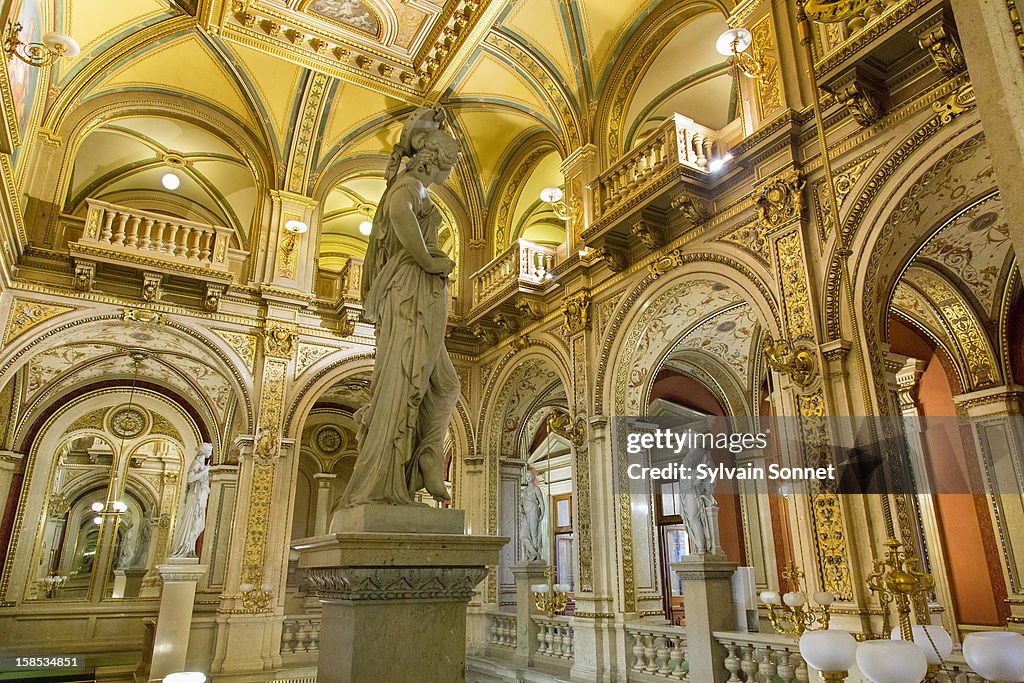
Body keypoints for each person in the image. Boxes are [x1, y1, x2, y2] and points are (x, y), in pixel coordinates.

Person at [338, 107, 461, 507]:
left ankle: (426, 453)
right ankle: (383, 479)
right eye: (450, 163)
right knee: (404, 380)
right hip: (410, 292)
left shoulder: (417, 188)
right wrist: (428, 260)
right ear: (435, 159)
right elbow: (398, 215)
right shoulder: (408, 186)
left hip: (423, 292)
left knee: (443, 384)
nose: (450, 171)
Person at [169, 443, 213, 558]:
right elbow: (190, 479)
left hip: (201, 494)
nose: (211, 453)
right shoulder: (197, 463)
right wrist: (205, 470)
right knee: (192, 522)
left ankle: (190, 548)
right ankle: (184, 547)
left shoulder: (202, 464)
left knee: (199, 524)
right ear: (204, 451)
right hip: (195, 496)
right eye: (210, 450)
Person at [520, 468, 546, 562]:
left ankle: (535, 557)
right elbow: (521, 503)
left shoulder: (536, 489)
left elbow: (541, 502)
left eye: (530, 476)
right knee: (523, 536)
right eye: (527, 476)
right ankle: (534, 553)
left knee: (534, 535)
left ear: (533, 477)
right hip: (526, 514)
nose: (528, 478)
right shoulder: (524, 491)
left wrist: (542, 513)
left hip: (534, 512)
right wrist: (520, 508)